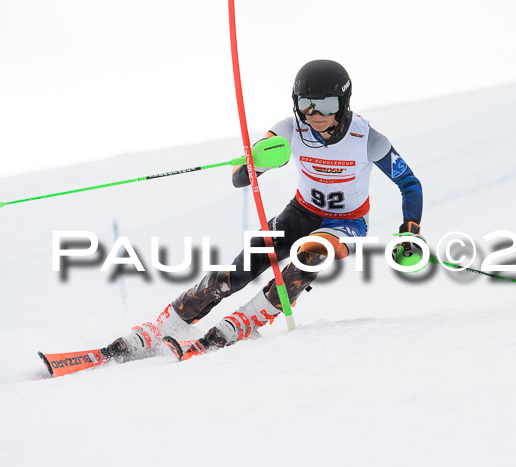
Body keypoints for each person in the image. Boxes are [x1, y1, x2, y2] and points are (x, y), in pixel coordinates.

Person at [102, 59, 424, 361]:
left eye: (325, 104)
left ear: (344, 102)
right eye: (305, 104)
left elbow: (409, 183)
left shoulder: (367, 139)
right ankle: (168, 323)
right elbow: (243, 171)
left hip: (347, 223)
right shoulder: (290, 128)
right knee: (234, 273)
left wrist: (410, 230)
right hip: (301, 212)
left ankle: (247, 318)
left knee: (309, 252)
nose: (314, 114)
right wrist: (251, 167)